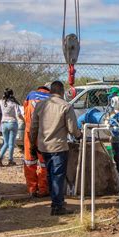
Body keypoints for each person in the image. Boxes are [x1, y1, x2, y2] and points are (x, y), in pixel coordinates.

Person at [30, 81, 81, 215]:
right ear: (62, 92)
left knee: (50, 174)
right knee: (58, 176)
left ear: (51, 91)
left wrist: (32, 145)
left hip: (44, 147)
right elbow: (72, 129)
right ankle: (57, 206)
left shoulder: (40, 105)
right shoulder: (65, 106)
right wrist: (79, 135)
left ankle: (56, 201)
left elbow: (33, 127)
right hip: (58, 147)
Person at [23, 85, 50, 198]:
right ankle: (43, 189)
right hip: (44, 133)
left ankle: (32, 189)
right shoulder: (50, 97)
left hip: (29, 131)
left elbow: (25, 112)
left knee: (29, 161)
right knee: (44, 162)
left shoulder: (30, 95)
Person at [0, 88, 23, 167]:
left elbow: (3, 100)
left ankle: (0, 159)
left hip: (4, 124)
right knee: (11, 143)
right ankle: (10, 160)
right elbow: (19, 114)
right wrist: (25, 120)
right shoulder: (14, 103)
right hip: (12, 123)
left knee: (6, 143)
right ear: (12, 95)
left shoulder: (1, 102)